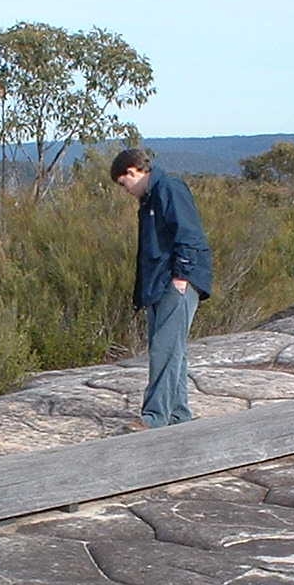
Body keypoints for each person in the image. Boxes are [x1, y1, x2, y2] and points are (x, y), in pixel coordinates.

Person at [110, 147, 214, 429]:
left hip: (176, 282)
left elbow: (190, 234)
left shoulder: (169, 188)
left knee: (164, 349)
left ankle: (154, 417)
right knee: (173, 350)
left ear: (133, 171)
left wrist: (182, 276)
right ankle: (178, 415)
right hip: (159, 284)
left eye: (123, 183)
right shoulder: (149, 199)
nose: (125, 190)